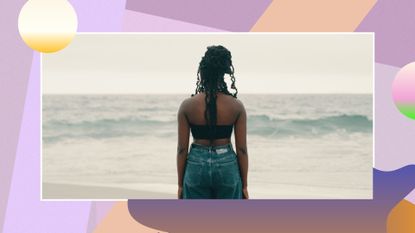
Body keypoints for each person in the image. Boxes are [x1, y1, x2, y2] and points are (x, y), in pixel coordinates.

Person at [176, 45, 249, 199]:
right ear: (225, 72)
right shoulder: (236, 106)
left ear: (203, 71)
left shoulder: (187, 106)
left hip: (196, 165)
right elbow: (242, 150)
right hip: (227, 165)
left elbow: (182, 149)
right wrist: (245, 185)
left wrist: (180, 185)